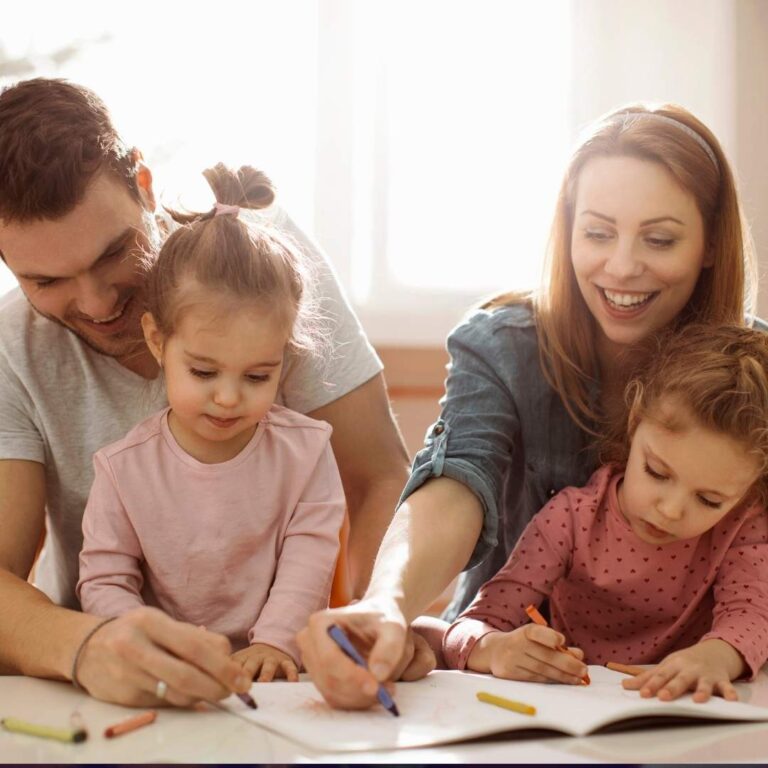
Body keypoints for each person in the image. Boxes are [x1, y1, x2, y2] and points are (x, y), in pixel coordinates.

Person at [298, 102, 764, 710]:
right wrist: (385, 602)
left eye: (660, 238)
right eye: (597, 232)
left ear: (709, 244)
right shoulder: (504, 344)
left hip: (688, 705)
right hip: (508, 683)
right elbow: (456, 481)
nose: (621, 266)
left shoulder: (753, 378)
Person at [0, 78, 423, 707]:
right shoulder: (14, 344)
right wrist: (86, 646)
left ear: (143, 183)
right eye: (45, 280)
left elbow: (380, 476)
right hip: (110, 693)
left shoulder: (261, 261)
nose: (95, 303)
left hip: (286, 683)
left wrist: (374, 614)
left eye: (115, 252)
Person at [76, 167, 346, 693]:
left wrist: (274, 642)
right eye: (204, 372)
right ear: (157, 340)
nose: (228, 397)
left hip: (277, 677)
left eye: (257, 376)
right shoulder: (122, 467)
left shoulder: (307, 452)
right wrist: (149, 646)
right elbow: (106, 579)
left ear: (283, 357)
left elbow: (310, 559)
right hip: (165, 676)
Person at [444, 323, 768, 703]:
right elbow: (471, 625)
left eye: (709, 500)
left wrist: (716, 657)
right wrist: (494, 648)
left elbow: (752, 615)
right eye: (657, 472)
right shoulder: (570, 519)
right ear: (634, 425)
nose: (670, 509)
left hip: (685, 714)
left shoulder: (742, 524)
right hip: (577, 710)